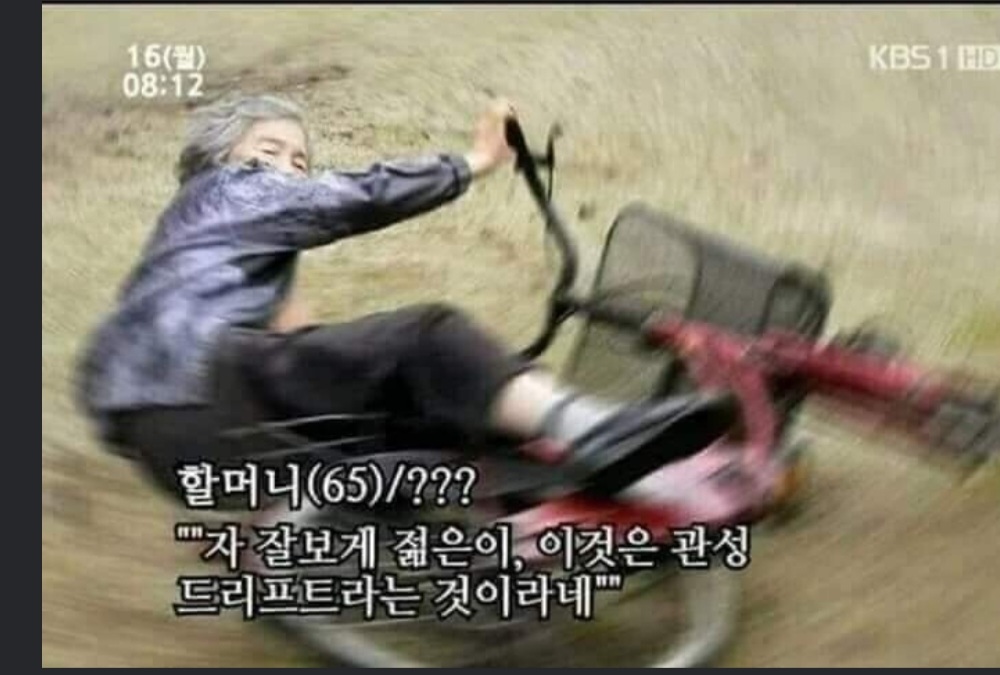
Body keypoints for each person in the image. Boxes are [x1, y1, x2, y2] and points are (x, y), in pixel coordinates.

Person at [76, 93, 726, 503]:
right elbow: (345, 198)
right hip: (206, 385)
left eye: (299, 160)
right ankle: (598, 433)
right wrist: (474, 162)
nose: (288, 168)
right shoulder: (228, 189)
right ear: (220, 161)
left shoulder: (192, 253)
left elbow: (290, 339)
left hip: (167, 440)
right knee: (426, 335)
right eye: (269, 150)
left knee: (407, 419)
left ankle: (537, 529)